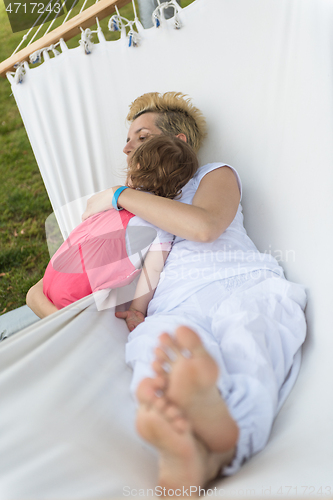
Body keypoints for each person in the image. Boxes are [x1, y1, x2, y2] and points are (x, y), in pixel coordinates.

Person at [82, 91, 307, 491]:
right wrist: (137, 310)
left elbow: (204, 227)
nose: (127, 146)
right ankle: (187, 437)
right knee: (155, 348)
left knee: (249, 334)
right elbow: (149, 260)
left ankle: (220, 442)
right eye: (128, 139)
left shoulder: (214, 174)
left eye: (141, 135)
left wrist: (120, 195)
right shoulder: (150, 203)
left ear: (178, 142)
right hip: (174, 305)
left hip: (237, 281)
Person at [26, 135, 199, 323]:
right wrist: (136, 309)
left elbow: (86, 218)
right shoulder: (162, 226)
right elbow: (153, 270)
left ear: (137, 168)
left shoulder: (113, 200)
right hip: (75, 295)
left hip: (51, 276)